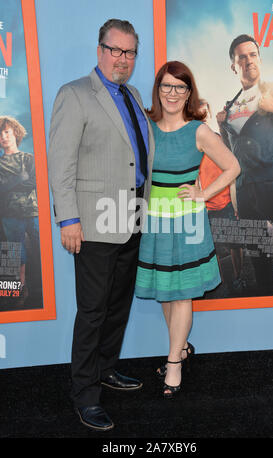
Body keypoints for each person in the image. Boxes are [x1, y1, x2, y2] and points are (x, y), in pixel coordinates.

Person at [48, 19, 154, 431]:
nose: (122, 59)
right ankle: (85, 394)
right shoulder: (74, 95)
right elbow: (62, 164)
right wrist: (69, 219)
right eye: (115, 50)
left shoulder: (133, 94)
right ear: (99, 49)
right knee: (93, 311)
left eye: (129, 53)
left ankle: (107, 369)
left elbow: (136, 157)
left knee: (118, 306)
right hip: (92, 224)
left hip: (131, 219)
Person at [135, 61, 240, 398]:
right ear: (158, 89)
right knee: (166, 289)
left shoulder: (198, 131)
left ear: (188, 92)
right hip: (154, 219)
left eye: (180, 87)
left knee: (181, 293)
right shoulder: (146, 126)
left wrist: (204, 193)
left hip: (187, 220)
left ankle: (174, 364)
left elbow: (233, 166)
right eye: (167, 86)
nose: (172, 93)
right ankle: (178, 349)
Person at [216, 34, 273, 294]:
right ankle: (268, 300)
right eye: (242, 56)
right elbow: (230, 156)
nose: (248, 60)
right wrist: (222, 125)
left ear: (260, 60)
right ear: (234, 65)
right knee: (258, 256)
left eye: (253, 55)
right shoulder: (230, 107)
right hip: (244, 190)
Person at [198, 101, 244, 295]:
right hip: (206, 207)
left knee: (235, 244)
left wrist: (236, 204)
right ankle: (222, 282)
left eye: (203, 113)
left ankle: (238, 277)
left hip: (226, 203)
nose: (201, 117)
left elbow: (232, 172)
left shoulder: (218, 140)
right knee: (213, 249)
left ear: (208, 114)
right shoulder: (194, 148)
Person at [0, 116, 40, 303]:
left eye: (6, 131)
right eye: (0, 134)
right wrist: (19, 179)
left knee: (43, 250)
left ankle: (42, 290)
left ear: (15, 133)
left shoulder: (29, 158)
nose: (3, 136)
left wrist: (12, 183)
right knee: (13, 255)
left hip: (34, 212)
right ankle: (15, 295)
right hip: (9, 214)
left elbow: (34, 182)